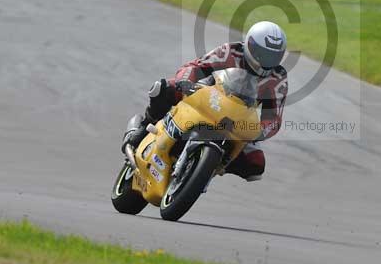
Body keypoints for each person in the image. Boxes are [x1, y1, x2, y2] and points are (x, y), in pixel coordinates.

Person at [121, 21, 288, 181]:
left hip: (237, 118)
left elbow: (274, 117)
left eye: (273, 56)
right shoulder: (231, 51)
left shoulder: (278, 77)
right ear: (250, 45)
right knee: (164, 88)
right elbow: (196, 66)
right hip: (209, 94)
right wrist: (185, 82)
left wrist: (260, 131)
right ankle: (142, 129)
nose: (267, 61)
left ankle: (209, 167)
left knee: (256, 164)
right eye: (263, 54)